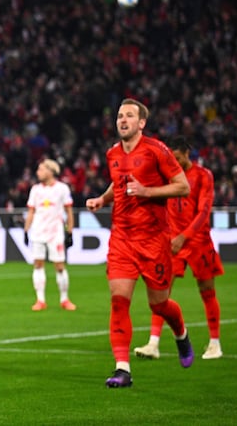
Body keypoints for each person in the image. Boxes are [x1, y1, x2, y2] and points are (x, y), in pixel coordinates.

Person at [86, 98, 193, 388]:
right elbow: (117, 183)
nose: (122, 120)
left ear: (141, 123)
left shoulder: (157, 150)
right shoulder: (112, 154)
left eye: (129, 116)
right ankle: (123, 369)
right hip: (122, 238)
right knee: (119, 302)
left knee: (159, 305)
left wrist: (147, 191)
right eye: (120, 115)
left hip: (153, 240)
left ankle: (181, 334)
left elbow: (183, 186)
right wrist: (102, 199)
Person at [134, 136, 225, 360]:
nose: (174, 162)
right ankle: (153, 343)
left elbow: (204, 212)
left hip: (197, 242)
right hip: (171, 243)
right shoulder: (166, 175)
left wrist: (184, 236)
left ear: (186, 153)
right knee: (161, 294)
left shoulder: (203, 176)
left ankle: (215, 343)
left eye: (177, 158)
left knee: (207, 291)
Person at [23, 159, 77, 311]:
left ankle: (64, 299)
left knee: (59, 266)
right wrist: (26, 230)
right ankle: (40, 300)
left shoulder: (62, 188)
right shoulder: (35, 189)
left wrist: (70, 231)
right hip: (38, 232)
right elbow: (31, 211)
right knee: (38, 264)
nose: (37, 172)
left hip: (55, 233)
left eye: (41, 169)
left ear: (50, 171)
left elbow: (68, 211)